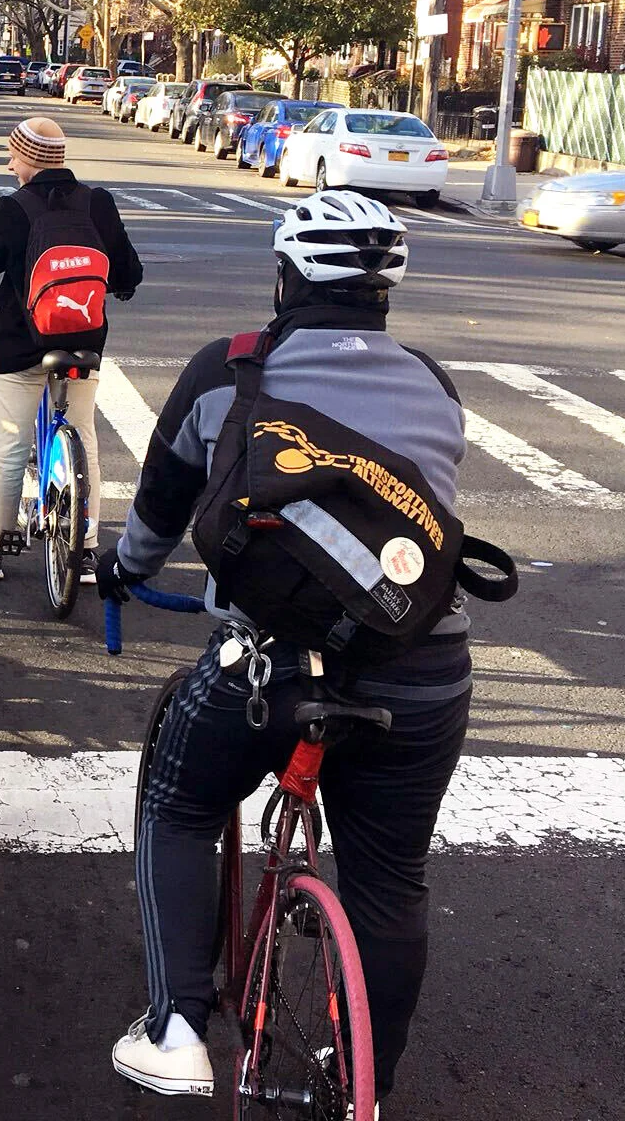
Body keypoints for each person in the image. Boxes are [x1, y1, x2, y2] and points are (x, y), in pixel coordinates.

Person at [105, 191, 471, 1105]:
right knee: (391, 881)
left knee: (179, 804)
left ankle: (178, 1026)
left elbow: (157, 515)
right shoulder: (433, 381)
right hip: (424, 669)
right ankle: (367, 1091)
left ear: (286, 275)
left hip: (272, 667)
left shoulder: (229, 370)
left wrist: (120, 571)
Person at [0, 116, 142, 583]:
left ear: (30, 159)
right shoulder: (97, 203)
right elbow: (127, 270)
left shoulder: (12, 208)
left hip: (22, 344)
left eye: (13, 155)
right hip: (83, 340)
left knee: (10, 445)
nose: (8, 163)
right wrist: (118, 287)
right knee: (84, 434)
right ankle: (84, 550)